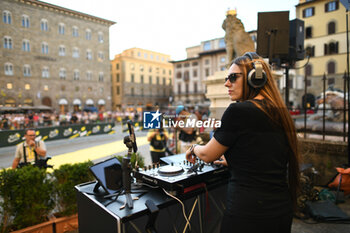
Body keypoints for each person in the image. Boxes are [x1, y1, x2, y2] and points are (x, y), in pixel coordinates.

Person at [186, 52, 300, 233]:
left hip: (249, 213)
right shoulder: (279, 111)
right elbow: (265, 153)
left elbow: (207, 155)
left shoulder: (238, 111)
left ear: (255, 79)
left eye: (233, 77)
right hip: (281, 211)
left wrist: (193, 148)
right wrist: (234, 160)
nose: (226, 83)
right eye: (226, 78)